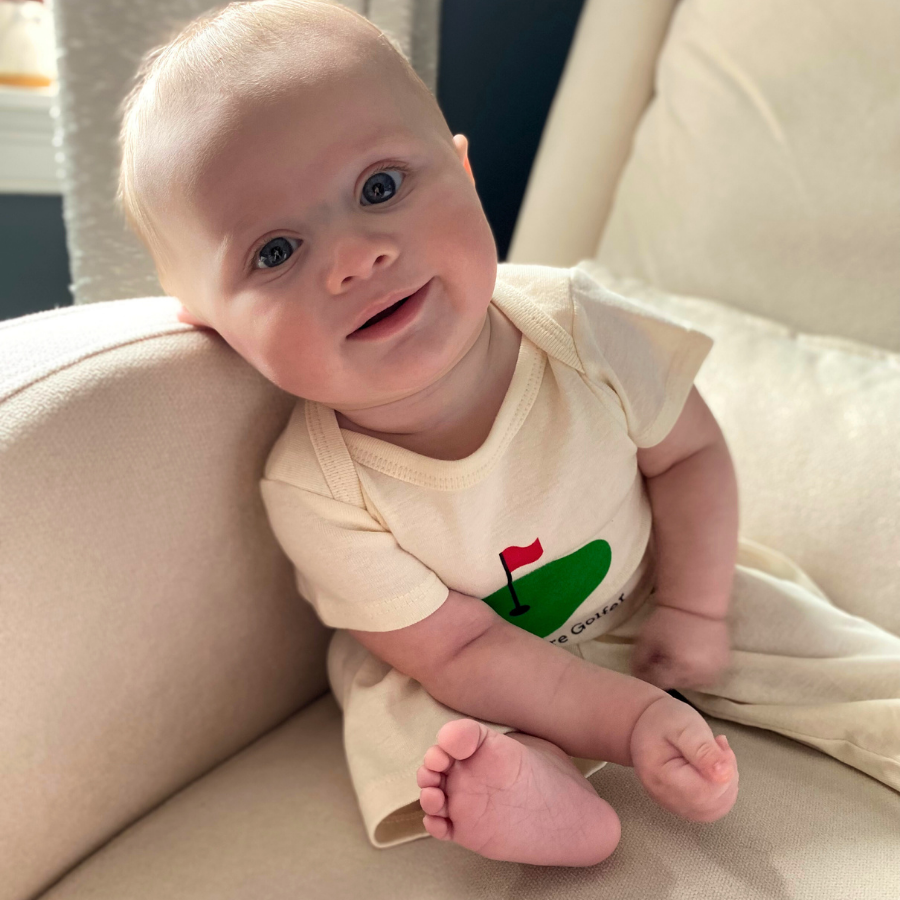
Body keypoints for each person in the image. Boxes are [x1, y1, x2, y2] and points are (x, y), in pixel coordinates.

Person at [117, 0, 900, 867]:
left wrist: (694, 605)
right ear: (211, 323)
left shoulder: (581, 328)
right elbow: (459, 648)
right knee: (410, 721)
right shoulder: (315, 488)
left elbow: (689, 455)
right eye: (274, 251)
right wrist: (629, 718)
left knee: (830, 651)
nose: (354, 258)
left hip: (653, 580)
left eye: (380, 187)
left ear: (464, 172)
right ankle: (532, 788)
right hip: (462, 658)